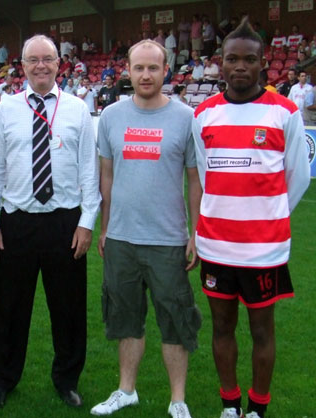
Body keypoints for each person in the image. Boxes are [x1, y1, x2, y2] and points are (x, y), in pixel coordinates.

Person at [192, 17, 310, 418]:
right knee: (222, 327)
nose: (239, 66)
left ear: (263, 63)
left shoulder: (285, 112)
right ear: (220, 64)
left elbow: (298, 177)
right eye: (231, 59)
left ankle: (257, 408)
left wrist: (268, 214)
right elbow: (205, 176)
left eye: (249, 59)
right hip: (215, 245)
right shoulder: (204, 114)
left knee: (262, 330)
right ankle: (230, 405)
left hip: (264, 249)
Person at [0, 34, 100, 410]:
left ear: (58, 64)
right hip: (16, 222)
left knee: (68, 309)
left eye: (47, 59)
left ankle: (66, 379)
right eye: (32, 60)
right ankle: (3, 380)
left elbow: (89, 170)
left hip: (64, 223)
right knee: (10, 308)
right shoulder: (5, 109)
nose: (40, 66)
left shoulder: (77, 109)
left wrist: (86, 222)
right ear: (22, 66)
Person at [92, 39, 202, 418]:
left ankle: (178, 400)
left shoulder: (186, 118)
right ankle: (126, 391)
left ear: (166, 70)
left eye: (153, 68)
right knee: (125, 319)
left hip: (168, 240)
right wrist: (105, 228)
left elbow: (194, 180)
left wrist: (195, 232)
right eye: (138, 68)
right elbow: (105, 176)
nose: (145, 75)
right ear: (127, 69)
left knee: (174, 319)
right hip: (121, 239)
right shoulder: (111, 117)